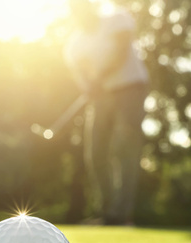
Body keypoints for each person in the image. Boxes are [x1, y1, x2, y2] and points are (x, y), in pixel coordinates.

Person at [64, 0, 149, 225]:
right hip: (100, 96)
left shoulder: (116, 19)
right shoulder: (74, 44)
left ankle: (122, 214)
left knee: (124, 147)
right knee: (96, 152)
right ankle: (106, 211)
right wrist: (89, 84)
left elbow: (121, 54)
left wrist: (100, 75)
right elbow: (82, 74)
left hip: (130, 88)